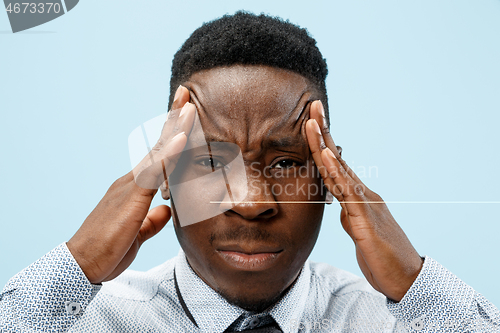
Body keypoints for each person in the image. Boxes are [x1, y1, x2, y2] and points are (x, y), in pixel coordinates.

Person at [0, 11, 498, 333]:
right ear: (167, 178)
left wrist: (416, 284)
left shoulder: (394, 320)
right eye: (212, 163)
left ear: (330, 178)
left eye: (285, 163)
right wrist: (74, 267)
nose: (252, 202)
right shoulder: (89, 320)